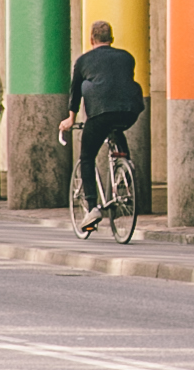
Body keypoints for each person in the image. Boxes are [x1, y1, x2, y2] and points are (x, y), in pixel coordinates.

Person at [58, 21, 144, 231]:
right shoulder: (127, 57)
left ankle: (92, 207)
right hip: (130, 111)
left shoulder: (83, 61)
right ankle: (124, 171)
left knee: (86, 157)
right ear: (111, 39)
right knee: (116, 130)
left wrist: (70, 119)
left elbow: (75, 93)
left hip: (100, 114)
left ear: (91, 40)